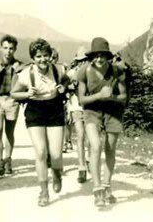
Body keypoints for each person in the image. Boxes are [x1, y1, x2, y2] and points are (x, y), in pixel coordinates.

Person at [11, 38, 68, 207]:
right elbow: (13, 93)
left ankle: (57, 173)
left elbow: (67, 79)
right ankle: (44, 191)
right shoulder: (25, 74)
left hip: (55, 109)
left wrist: (63, 87)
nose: (42, 59)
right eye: (38, 56)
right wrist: (27, 94)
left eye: (45, 55)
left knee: (56, 154)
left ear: (50, 56)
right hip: (35, 110)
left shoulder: (58, 69)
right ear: (33, 58)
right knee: (41, 152)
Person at [77, 37, 128, 207]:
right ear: (91, 56)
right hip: (92, 112)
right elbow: (82, 100)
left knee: (110, 148)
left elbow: (123, 97)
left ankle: (107, 186)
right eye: (96, 55)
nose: (99, 59)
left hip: (113, 112)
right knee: (96, 146)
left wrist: (112, 96)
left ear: (108, 56)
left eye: (102, 55)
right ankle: (97, 189)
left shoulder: (117, 71)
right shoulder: (84, 71)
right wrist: (99, 95)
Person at [0, 34, 22, 176]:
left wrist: (16, 71)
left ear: (15, 49)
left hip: (11, 100)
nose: (8, 51)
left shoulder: (18, 65)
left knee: (9, 132)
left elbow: (20, 86)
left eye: (11, 48)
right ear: (1, 48)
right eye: (5, 48)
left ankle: (8, 159)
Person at [66, 46, 90, 183]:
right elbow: (62, 85)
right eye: (80, 60)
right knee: (80, 135)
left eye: (85, 59)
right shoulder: (71, 73)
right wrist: (69, 88)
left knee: (91, 137)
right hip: (76, 107)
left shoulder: (93, 72)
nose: (82, 62)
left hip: (91, 108)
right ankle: (82, 168)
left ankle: (88, 159)